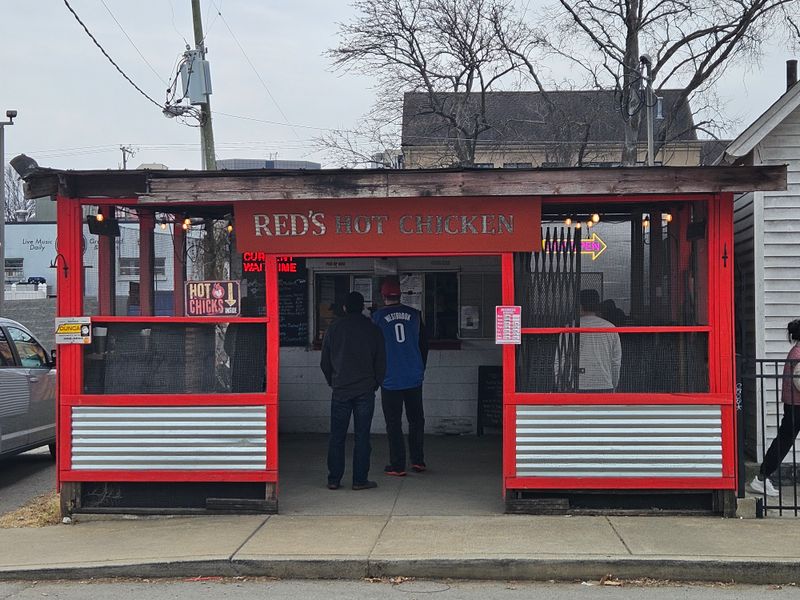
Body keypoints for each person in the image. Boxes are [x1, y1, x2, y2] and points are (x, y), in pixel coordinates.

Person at [320, 291, 386, 491]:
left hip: (341, 389)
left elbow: (325, 362)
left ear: (345, 308)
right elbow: (381, 362)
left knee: (337, 436)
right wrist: (375, 383)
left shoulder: (334, 329)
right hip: (365, 390)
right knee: (362, 436)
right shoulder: (373, 329)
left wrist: (333, 381)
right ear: (363, 307)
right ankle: (359, 480)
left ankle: (334, 479)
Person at [372, 277, 429, 476]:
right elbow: (424, 345)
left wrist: (376, 374)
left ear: (383, 296)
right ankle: (418, 460)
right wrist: (420, 368)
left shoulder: (377, 317)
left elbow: (374, 349)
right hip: (413, 375)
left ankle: (398, 465)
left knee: (393, 423)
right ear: (400, 295)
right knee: (416, 420)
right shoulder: (415, 315)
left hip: (390, 378)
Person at [750, 319, 800, 497]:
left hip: (793, 404)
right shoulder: (798, 354)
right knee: (784, 441)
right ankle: (761, 477)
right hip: (796, 406)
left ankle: (762, 477)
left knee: (784, 440)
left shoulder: (795, 352)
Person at [572, 289, 622, 392]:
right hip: (604, 384)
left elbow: (560, 360)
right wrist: (614, 384)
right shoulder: (611, 328)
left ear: (580, 306)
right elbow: (616, 362)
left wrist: (561, 384)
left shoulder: (570, 328)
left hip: (576, 384)